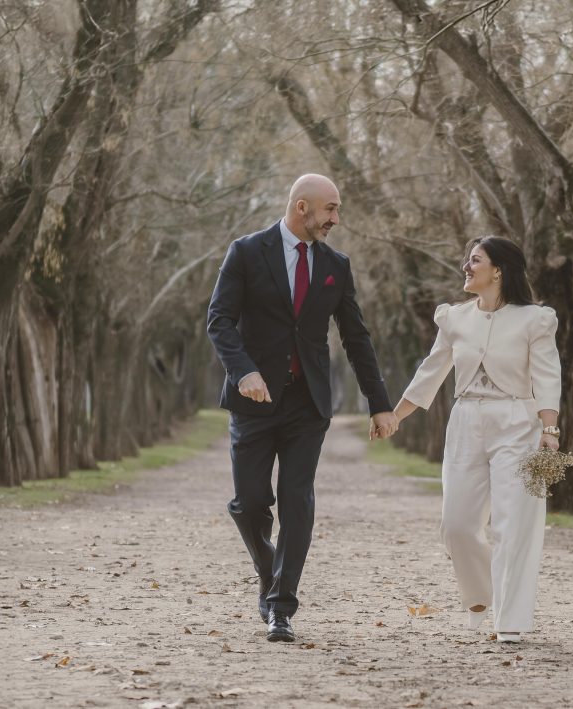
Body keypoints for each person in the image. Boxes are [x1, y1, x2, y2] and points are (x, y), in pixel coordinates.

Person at [207, 174, 399, 643]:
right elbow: (220, 320)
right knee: (249, 502)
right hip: (254, 400)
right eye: (330, 209)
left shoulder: (336, 265)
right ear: (301, 207)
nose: (336, 218)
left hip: (307, 404)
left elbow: (356, 338)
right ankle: (270, 567)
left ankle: (281, 606)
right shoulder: (247, 252)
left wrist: (379, 404)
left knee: (297, 500)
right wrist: (243, 371)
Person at [392, 236, 561, 643]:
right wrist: (395, 415)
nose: (466, 267)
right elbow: (431, 371)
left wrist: (550, 429)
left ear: (498, 270)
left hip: (518, 423)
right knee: (457, 524)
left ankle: (512, 620)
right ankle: (482, 596)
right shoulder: (454, 318)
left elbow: (547, 375)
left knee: (513, 524)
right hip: (466, 420)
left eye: (474, 260)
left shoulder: (535, 319)